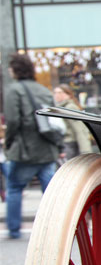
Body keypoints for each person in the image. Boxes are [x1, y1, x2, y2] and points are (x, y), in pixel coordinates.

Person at [3, 53, 60, 239]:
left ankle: (14, 230)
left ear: (15, 70)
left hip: (24, 150)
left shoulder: (14, 90)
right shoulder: (43, 90)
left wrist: (9, 142)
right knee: (50, 192)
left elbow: (13, 121)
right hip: (47, 148)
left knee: (14, 188)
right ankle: (56, 227)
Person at [53, 84, 93, 160]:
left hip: (71, 145)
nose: (57, 95)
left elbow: (79, 129)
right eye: (55, 92)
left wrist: (85, 151)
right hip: (64, 145)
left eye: (60, 92)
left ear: (68, 94)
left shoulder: (70, 107)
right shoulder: (60, 107)